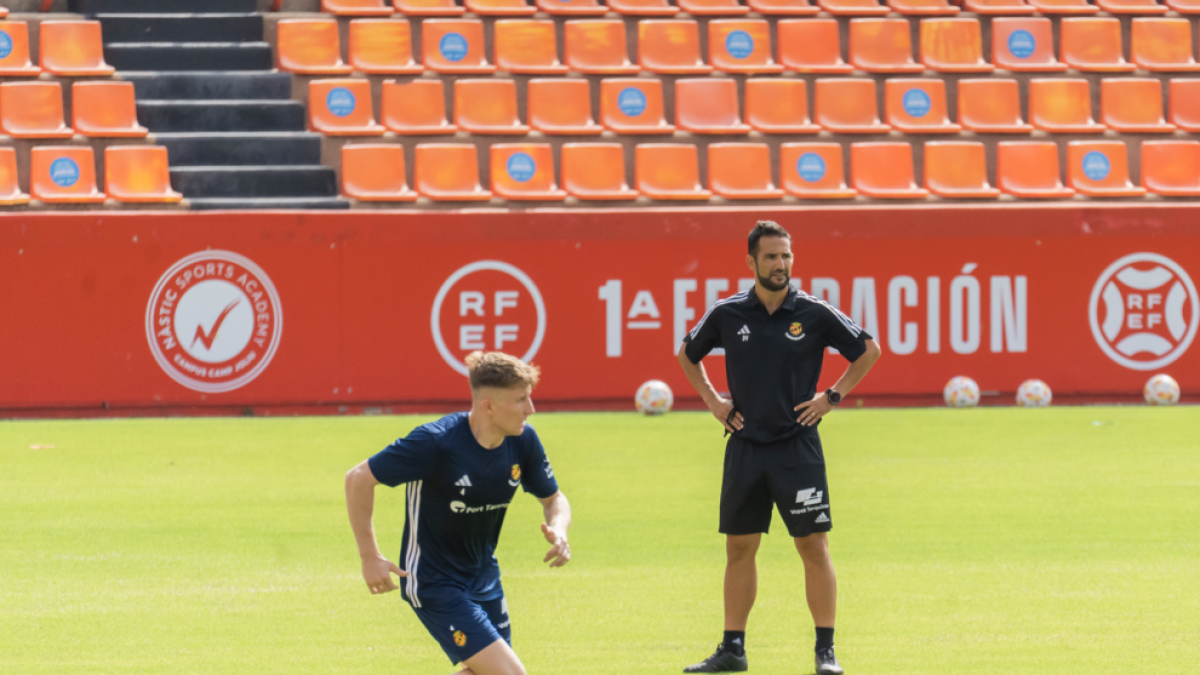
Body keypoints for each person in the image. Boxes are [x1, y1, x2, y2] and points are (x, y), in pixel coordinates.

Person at [677, 221, 881, 675]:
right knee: (739, 547)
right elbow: (688, 353)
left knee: (813, 546)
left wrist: (831, 397)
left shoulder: (812, 311)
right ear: (751, 262)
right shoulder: (728, 313)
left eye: (786, 255)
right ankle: (733, 649)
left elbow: (868, 350)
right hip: (745, 445)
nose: (780, 264)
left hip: (797, 446)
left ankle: (825, 652)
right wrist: (714, 402)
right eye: (771, 257)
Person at [345, 351, 572, 675]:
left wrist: (559, 530)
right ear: (489, 406)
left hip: (484, 576)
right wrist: (370, 557)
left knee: (484, 671)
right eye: (521, 400)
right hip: (434, 581)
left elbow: (554, 500)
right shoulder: (436, 442)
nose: (531, 410)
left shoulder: (522, 441)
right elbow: (358, 479)